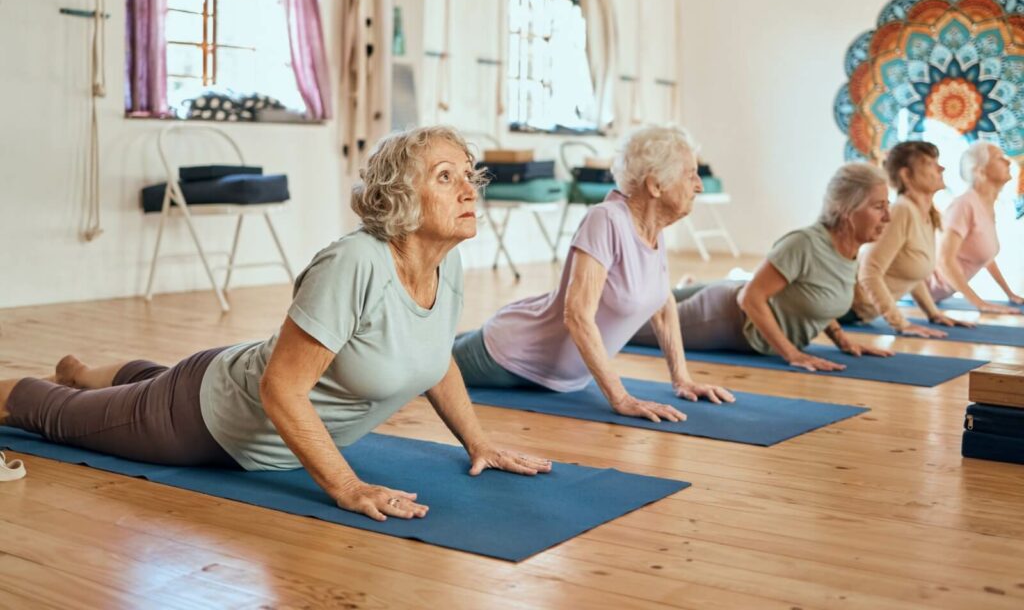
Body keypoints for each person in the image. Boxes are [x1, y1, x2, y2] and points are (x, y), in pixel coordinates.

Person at [0, 126, 551, 522]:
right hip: (203, 419)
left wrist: (478, 442)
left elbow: (435, 358)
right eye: (445, 176)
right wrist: (347, 486)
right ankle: (71, 386)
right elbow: (280, 388)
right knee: (52, 412)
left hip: (221, 376)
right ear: (401, 197)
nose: (468, 189)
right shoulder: (354, 263)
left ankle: (83, 371)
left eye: (468, 175)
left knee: (146, 380)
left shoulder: (444, 262)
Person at [455, 126, 734, 425]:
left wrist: (683, 380)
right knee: (418, 365)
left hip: (558, 376)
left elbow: (663, 306)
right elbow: (577, 315)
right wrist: (621, 398)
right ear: (655, 186)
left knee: (439, 347)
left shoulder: (654, 228)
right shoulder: (606, 219)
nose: (699, 185)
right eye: (690, 174)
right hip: (510, 355)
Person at [631, 163, 895, 372]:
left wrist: (844, 341)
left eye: (888, 206)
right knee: (624, 328)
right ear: (847, 209)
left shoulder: (848, 251)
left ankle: (683, 287)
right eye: (878, 207)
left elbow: (822, 299)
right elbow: (750, 298)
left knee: (644, 302)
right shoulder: (805, 244)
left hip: (733, 297)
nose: (888, 217)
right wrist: (793, 355)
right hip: (725, 317)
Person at [846, 141, 972, 336]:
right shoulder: (901, 211)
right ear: (906, 175)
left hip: (859, 316)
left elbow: (912, 274)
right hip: (843, 310)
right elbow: (869, 272)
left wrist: (934, 314)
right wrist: (900, 324)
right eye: (930, 164)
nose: (941, 168)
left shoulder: (926, 213)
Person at [927, 141, 1023, 314]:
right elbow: (944, 259)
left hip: (936, 297)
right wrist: (980, 303)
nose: (1008, 162)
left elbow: (985, 256)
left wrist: (1010, 294)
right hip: (917, 291)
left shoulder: (985, 206)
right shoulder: (964, 205)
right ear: (980, 170)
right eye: (999, 158)